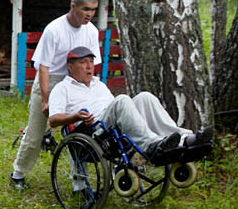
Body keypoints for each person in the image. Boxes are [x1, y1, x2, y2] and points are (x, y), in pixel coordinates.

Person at [47, 46, 212, 162]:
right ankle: (151, 145)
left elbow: (114, 108)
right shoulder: (62, 88)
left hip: (112, 126)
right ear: (70, 67)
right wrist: (76, 116)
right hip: (92, 131)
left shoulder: (99, 84)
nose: (89, 66)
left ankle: (184, 139)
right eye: (83, 62)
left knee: (144, 97)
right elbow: (53, 120)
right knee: (122, 100)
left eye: (91, 61)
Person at [10, 0, 101, 190]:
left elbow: (92, 65)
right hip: (50, 80)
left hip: (74, 82)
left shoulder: (92, 31)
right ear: (73, 6)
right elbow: (43, 67)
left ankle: (79, 182)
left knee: (78, 132)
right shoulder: (55, 29)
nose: (89, 14)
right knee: (36, 133)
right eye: (86, 9)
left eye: (93, 10)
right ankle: (18, 173)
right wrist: (45, 99)